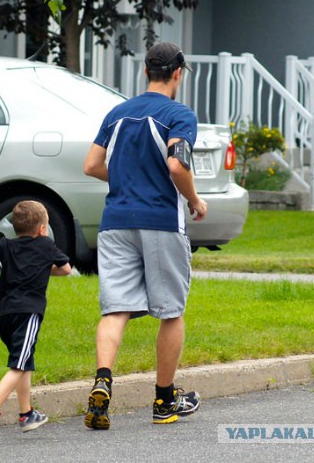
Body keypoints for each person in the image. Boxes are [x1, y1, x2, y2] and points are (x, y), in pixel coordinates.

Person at [82, 42, 207, 430]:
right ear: (177, 74)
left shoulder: (117, 113)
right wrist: (195, 199)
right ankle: (164, 401)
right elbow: (177, 164)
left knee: (115, 308)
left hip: (116, 221)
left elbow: (91, 165)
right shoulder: (178, 115)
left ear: (145, 72)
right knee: (170, 311)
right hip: (160, 223)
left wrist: (126, 178)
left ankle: (103, 380)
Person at [0, 200, 72, 443]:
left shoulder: (6, 245)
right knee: (19, 363)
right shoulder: (46, 245)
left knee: (25, 360)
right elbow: (66, 269)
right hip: (29, 312)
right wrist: (43, 267)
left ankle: (26, 414)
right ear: (41, 229)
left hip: (5, 312)